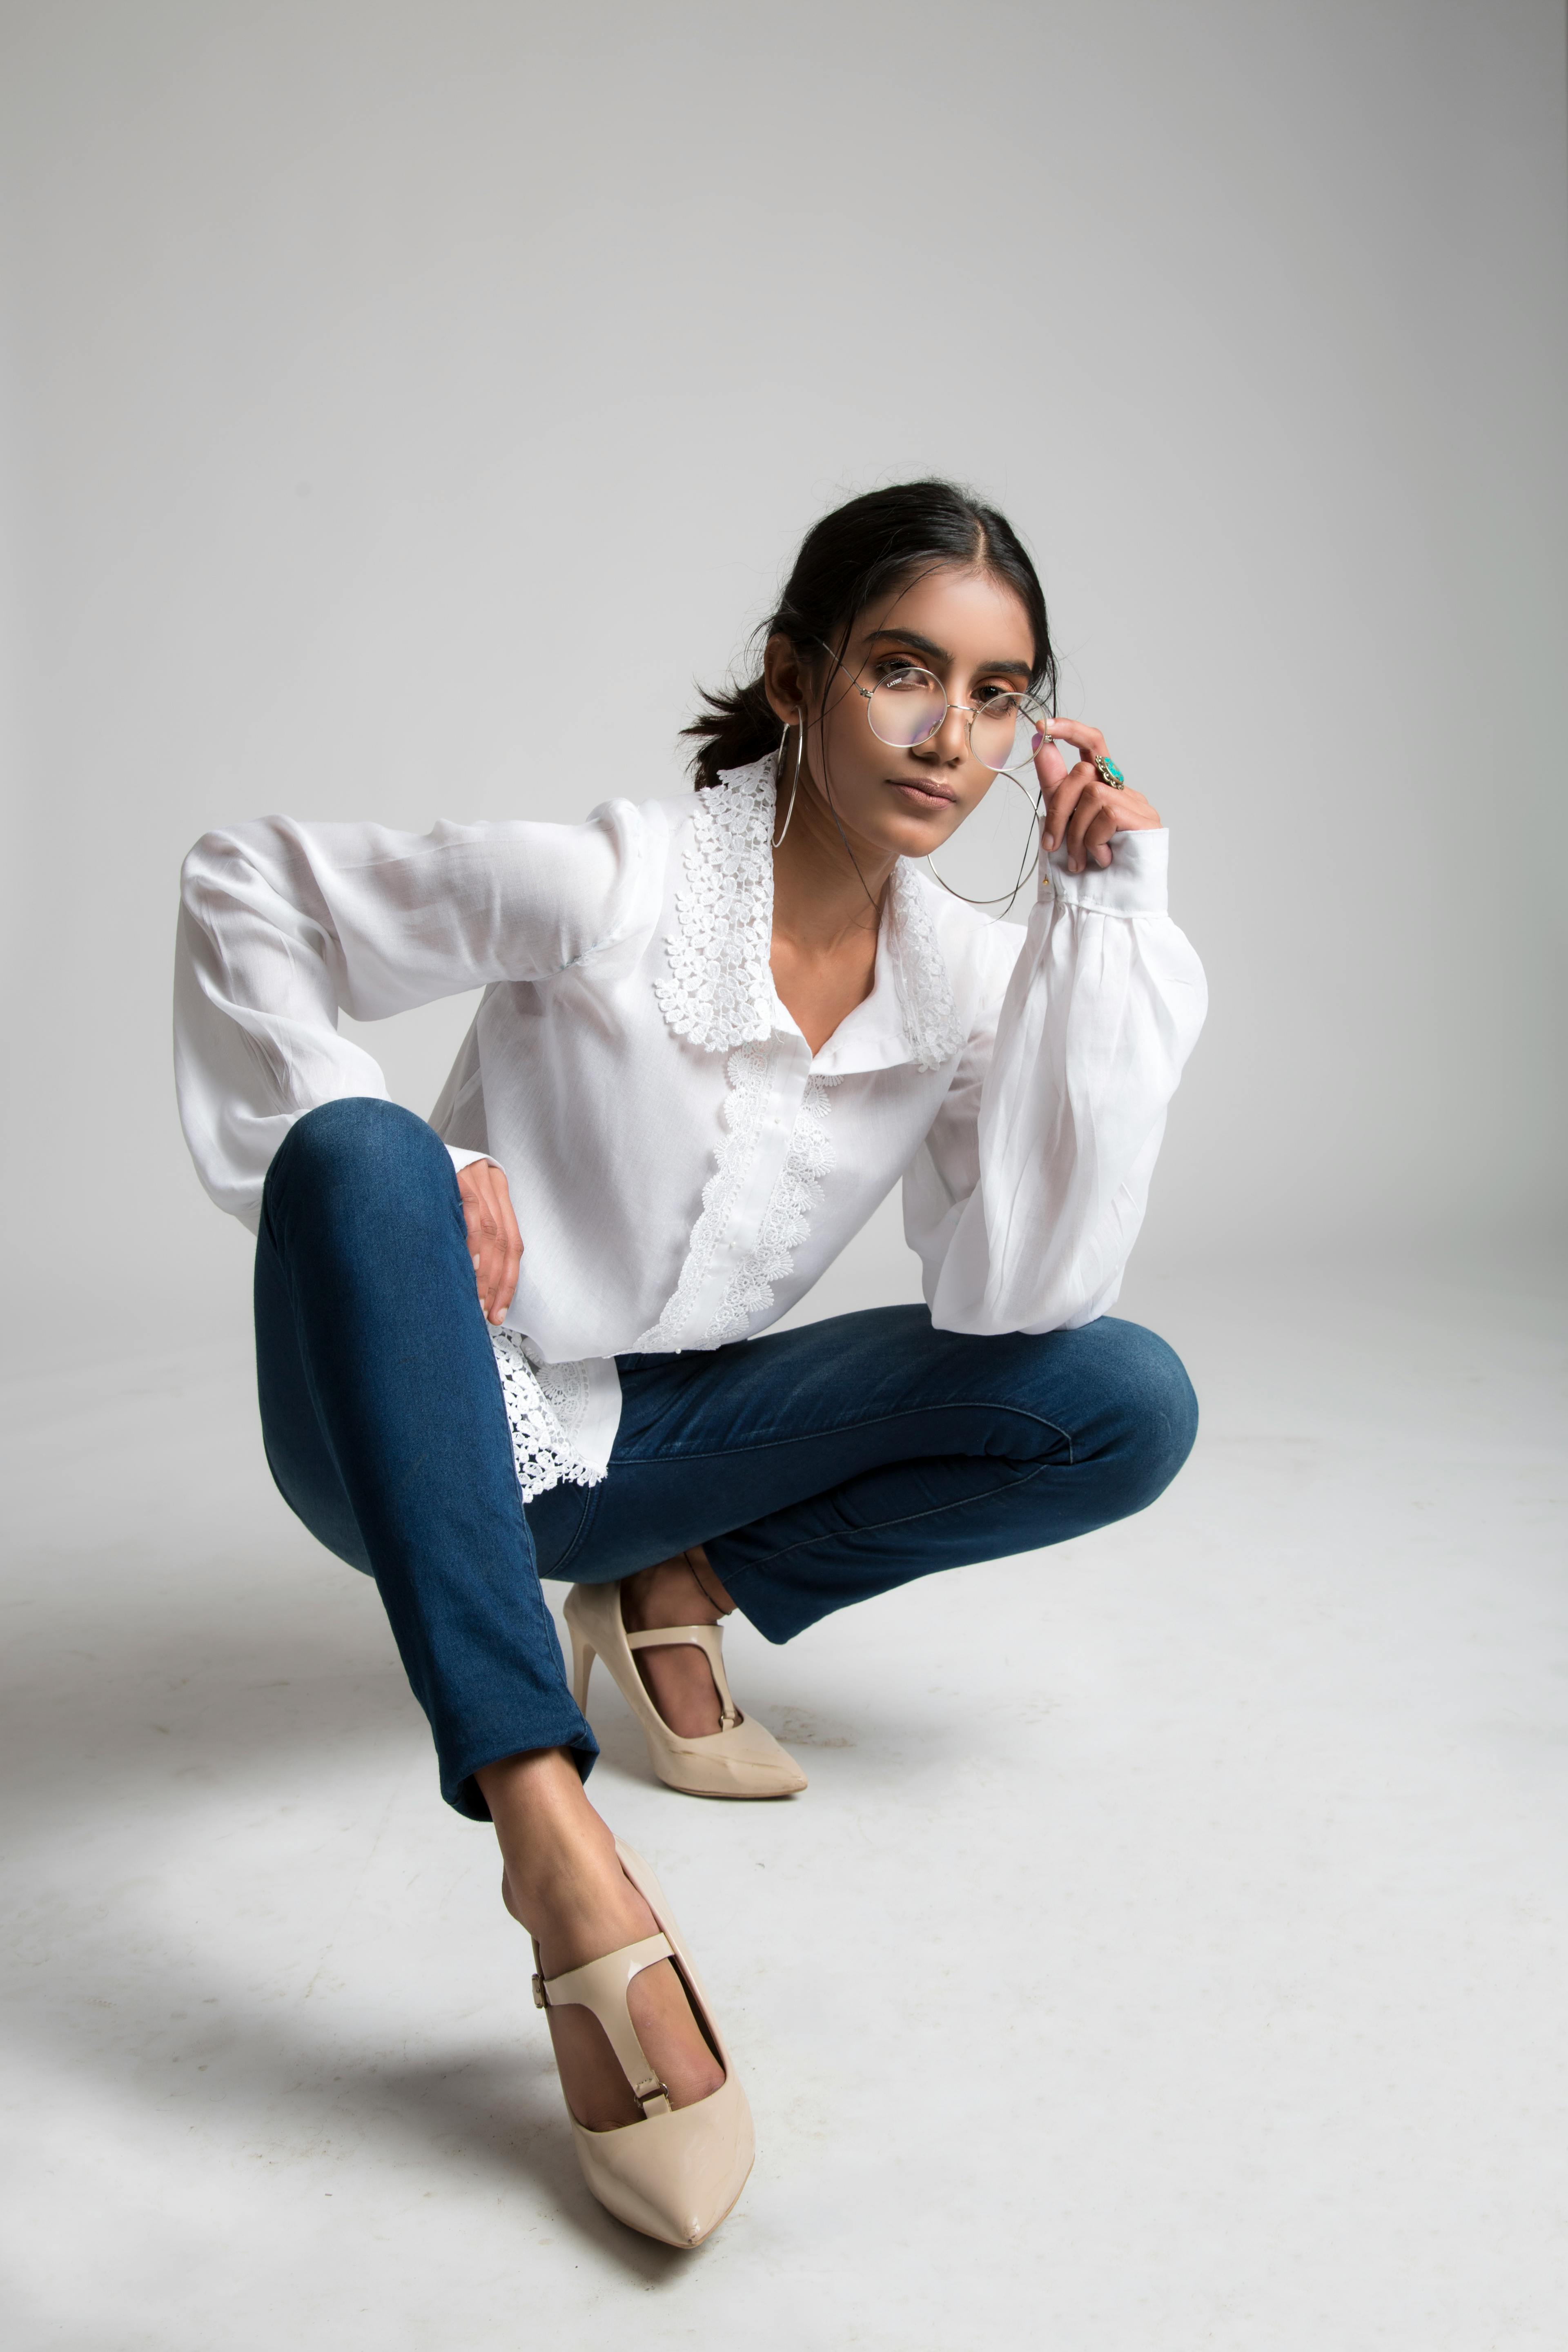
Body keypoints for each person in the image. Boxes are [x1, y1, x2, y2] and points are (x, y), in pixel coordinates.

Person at [174, 478, 1207, 2247]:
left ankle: (675, 1591)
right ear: (799, 679)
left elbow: (1019, 1282)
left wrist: (1106, 922)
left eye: (999, 692)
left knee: (1121, 1398)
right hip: (410, 1430)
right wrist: (412, 1159)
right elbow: (244, 885)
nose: (951, 734)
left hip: (651, 1443)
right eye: (905, 668)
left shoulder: (962, 980)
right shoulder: (622, 881)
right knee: (355, 1160)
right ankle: (549, 1838)